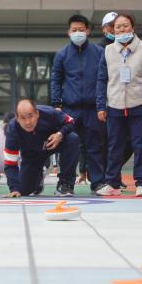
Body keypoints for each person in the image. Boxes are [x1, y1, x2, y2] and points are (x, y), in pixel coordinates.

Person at [95, 14, 142, 197]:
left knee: (140, 145)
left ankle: (141, 183)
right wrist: (101, 105)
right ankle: (113, 183)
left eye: (125, 26)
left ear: (132, 27)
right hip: (114, 104)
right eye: (118, 27)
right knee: (114, 146)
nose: (122, 30)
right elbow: (101, 79)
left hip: (139, 104)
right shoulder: (108, 51)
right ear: (112, 30)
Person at [51, 14, 106, 195]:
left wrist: (102, 105)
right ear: (68, 32)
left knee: (95, 147)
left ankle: (98, 183)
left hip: (93, 109)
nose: (78, 33)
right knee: (69, 145)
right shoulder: (62, 55)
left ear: (88, 31)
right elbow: (56, 81)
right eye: (74, 30)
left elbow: (104, 79)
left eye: (81, 30)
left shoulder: (99, 53)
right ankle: (66, 183)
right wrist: (56, 104)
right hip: (70, 109)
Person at [4, 99, 77, 198]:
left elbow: (71, 121)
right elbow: (10, 162)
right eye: (23, 118)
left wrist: (60, 133)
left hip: (53, 142)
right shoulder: (12, 129)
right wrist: (14, 188)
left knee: (72, 138)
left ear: (37, 113)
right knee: (23, 190)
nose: (28, 122)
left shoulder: (49, 113)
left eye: (30, 116)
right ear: (17, 118)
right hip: (32, 155)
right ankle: (38, 181)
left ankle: (65, 183)